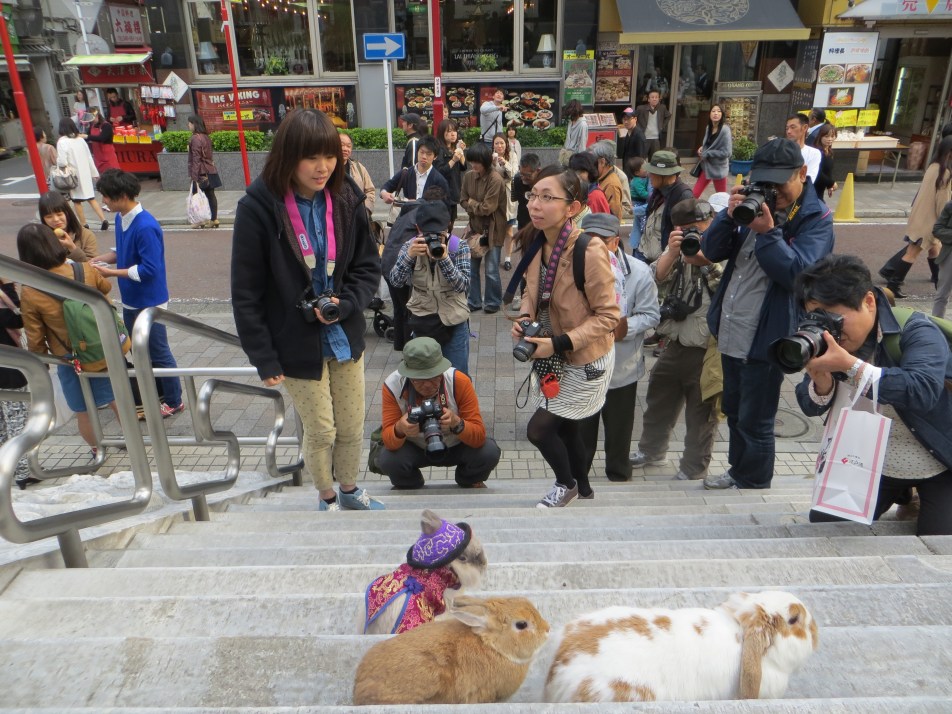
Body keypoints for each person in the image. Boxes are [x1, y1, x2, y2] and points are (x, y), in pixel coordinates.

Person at [230, 108, 383, 512]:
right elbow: (246, 291)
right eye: (311, 157)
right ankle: (327, 497)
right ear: (288, 156)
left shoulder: (346, 197)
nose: (323, 167)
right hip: (294, 341)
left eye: (330, 156)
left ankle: (349, 490)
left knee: (351, 427)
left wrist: (347, 301)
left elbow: (368, 265)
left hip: (343, 332)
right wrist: (262, 355)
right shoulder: (258, 207)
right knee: (322, 430)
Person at [700, 138, 835, 491]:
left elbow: (798, 276)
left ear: (803, 174)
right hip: (731, 328)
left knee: (757, 420)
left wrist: (768, 233)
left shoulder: (814, 218)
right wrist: (727, 218)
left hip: (768, 336)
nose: (773, 191)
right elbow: (711, 250)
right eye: (766, 182)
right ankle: (738, 470)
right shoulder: (754, 204)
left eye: (780, 182)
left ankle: (754, 483)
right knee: (733, 410)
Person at [794, 254, 952, 536]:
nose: (828, 327)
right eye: (816, 315)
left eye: (834, 316)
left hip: (939, 460)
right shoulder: (830, 338)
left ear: (868, 302)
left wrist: (850, 366)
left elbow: (921, 390)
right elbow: (809, 406)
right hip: (871, 463)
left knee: (939, 540)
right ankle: (903, 494)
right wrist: (821, 384)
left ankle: (912, 494)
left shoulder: (917, 332)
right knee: (828, 527)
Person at [511, 166, 620, 507]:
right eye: (533, 196)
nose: (535, 205)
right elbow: (531, 288)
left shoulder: (589, 250)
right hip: (551, 352)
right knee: (568, 426)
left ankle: (566, 484)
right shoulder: (534, 238)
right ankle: (584, 487)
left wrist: (556, 343)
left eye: (547, 197)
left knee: (539, 429)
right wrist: (525, 318)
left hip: (585, 357)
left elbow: (609, 316)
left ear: (572, 208)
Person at [629, 198, 722, 482]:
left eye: (698, 229)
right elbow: (653, 278)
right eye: (686, 230)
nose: (694, 235)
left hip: (708, 348)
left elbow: (728, 290)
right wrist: (672, 251)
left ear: (712, 224)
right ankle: (652, 451)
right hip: (676, 343)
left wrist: (705, 262)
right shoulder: (679, 250)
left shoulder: (726, 247)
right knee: (659, 397)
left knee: (701, 413)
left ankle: (694, 468)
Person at [90, 169, 185, 419]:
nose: (104, 202)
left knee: (159, 352)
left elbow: (149, 270)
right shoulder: (122, 217)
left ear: (121, 195)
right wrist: (101, 259)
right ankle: (160, 394)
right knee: (139, 350)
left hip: (150, 300)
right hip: (132, 299)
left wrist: (111, 274)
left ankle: (175, 401)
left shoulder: (145, 226)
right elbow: (122, 251)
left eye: (107, 197)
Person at [17, 224, 120, 453]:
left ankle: (97, 451)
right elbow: (106, 287)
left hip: (68, 358)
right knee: (117, 397)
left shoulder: (31, 291)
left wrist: (41, 365)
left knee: (83, 410)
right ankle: (135, 443)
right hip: (101, 347)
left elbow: (35, 338)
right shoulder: (84, 270)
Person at [577, 213, 659, 482]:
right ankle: (579, 478)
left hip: (622, 365)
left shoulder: (638, 271)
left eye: (602, 241)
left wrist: (624, 327)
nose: (594, 246)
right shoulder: (573, 268)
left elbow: (650, 315)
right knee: (581, 430)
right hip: (585, 364)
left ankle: (618, 474)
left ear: (615, 243)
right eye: (589, 240)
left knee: (619, 430)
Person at [379, 336, 500, 489]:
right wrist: (400, 429)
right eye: (419, 380)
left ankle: (469, 480)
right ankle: (409, 485)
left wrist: (457, 423)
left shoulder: (459, 381)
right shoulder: (392, 386)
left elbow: (479, 437)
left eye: (434, 377)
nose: (428, 385)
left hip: (455, 444)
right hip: (415, 448)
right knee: (388, 459)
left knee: (488, 452)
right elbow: (388, 440)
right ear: (408, 375)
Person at [389, 201, 471, 373]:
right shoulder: (410, 246)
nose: (433, 239)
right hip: (422, 319)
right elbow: (395, 281)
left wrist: (445, 259)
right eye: (428, 234)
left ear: (448, 226)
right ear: (418, 228)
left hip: (454, 319)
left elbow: (462, 286)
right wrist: (409, 257)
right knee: (424, 375)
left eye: (439, 234)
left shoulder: (459, 246)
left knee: (457, 376)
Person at [879, 136, 952, 298]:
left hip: (920, 217)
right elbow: (943, 203)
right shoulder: (945, 173)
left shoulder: (933, 167)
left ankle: (938, 283)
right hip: (929, 222)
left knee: (934, 250)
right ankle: (893, 286)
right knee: (912, 253)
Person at [461, 142, 508, 314]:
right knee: (472, 268)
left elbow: (488, 208)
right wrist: (475, 205)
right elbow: (462, 199)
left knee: (491, 269)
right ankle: (474, 301)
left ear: (486, 162)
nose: (474, 165)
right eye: (471, 161)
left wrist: (471, 204)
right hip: (475, 228)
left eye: (477, 162)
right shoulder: (468, 176)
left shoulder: (495, 179)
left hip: (494, 229)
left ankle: (493, 302)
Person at [0, 278, 35, 489]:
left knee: (5, 423)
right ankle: (21, 473)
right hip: (9, 368)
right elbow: (15, 320)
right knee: (16, 420)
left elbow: (16, 320)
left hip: (8, 368)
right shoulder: (4, 292)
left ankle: (9, 468)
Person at [638, 150, 694, 264]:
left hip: (664, 264)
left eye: (653, 172)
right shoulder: (658, 191)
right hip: (646, 255)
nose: (649, 175)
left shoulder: (683, 196)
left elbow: (683, 237)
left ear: (663, 174)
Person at [56, 118, 108, 231]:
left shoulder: (62, 141)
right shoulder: (80, 140)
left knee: (77, 200)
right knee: (91, 198)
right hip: (85, 173)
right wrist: (94, 172)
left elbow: (62, 161)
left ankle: (84, 224)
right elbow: (89, 157)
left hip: (73, 175)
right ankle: (103, 219)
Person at [381, 135, 450, 218]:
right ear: (417, 152)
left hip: (428, 222)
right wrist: (384, 193)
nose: (424, 157)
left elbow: (444, 207)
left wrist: (418, 203)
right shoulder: (406, 173)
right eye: (422, 152)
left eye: (428, 154)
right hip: (407, 221)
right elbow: (388, 186)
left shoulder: (439, 180)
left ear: (435, 157)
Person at [38, 191, 98, 262]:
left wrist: (72, 248)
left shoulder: (86, 235)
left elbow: (92, 266)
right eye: (49, 217)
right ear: (43, 219)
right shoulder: (40, 238)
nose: (56, 219)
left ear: (67, 213)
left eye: (59, 214)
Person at [186, 115, 221, 229]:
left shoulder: (195, 138)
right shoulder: (206, 137)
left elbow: (196, 158)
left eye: (190, 123)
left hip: (201, 171)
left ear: (194, 124)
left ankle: (200, 220)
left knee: (197, 196)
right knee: (210, 195)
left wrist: (194, 176)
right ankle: (214, 219)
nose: (188, 125)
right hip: (210, 169)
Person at [693, 104, 733, 197]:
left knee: (721, 197)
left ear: (722, 114)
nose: (716, 113)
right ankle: (691, 211)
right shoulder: (709, 127)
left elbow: (727, 152)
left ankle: (722, 212)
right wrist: (702, 148)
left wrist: (708, 153)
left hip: (718, 169)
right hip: (707, 166)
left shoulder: (725, 130)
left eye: (718, 111)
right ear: (710, 114)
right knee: (694, 194)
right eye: (713, 111)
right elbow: (709, 144)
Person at [492, 132, 519, 266]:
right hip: (495, 195)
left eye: (502, 143)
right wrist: (492, 163)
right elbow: (487, 176)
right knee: (495, 228)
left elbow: (515, 174)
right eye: (496, 143)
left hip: (508, 196)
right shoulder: (491, 157)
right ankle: (495, 257)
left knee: (509, 230)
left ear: (506, 144)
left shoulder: (512, 156)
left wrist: (505, 163)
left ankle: (507, 258)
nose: (499, 146)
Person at [433, 118, 466, 223]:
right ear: (442, 133)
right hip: (443, 194)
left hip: (454, 192)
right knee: (444, 225)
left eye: (455, 131)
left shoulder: (453, 149)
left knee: (451, 224)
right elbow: (439, 171)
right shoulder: (439, 150)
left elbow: (464, 167)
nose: (453, 134)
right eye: (449, 131)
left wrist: (461, 152)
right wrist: (453, 160)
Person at [567, 151, 611, 229]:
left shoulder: (594, 195)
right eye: (574, 172)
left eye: (581, 171)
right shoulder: (583, 191)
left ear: (591, 172)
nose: (577, 175)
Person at [339, 131, 375, 215]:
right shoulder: (328, 168)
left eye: (348, 146)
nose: (345, 149)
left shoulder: (359, 168)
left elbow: (370, 191)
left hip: (357, 217)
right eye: (341, 145)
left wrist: (365, 210)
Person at [591, 140, 624, 221]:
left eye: (593, 162)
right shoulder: (603, 178)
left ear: (602, 162)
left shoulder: (611, 185)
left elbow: (615, 217)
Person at [931, 197, 952, 318]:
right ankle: (937, 325)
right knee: (942, 294)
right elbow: (937, 229)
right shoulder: (950, 206)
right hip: (950, 253)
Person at [785, 113, 821, 183]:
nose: (788, 131)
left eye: (793, 127)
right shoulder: (781, 150)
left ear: (805, 127)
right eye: (787, 128)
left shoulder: (813, 153)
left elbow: (809, 179)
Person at [635, 91, 671, 160]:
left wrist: (662, 126)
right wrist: (638, 129)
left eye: (656, 97)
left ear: (659, 99)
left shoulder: (662, 108)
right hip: (644, 138)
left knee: (654, 160)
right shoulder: (641, 108)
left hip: (656, 139)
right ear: (648, 99)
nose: (654, 99)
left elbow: (668, 116)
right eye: (652, 97)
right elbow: (634, 118)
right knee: (641, 159)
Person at [87, 108, 120, 176]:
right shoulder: (92, 126)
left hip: (108, 156)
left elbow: (102, 138)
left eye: (92, 118)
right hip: (98, 157)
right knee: (103, 176)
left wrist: (87, 137)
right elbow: (89, 137)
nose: (91, 121)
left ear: (97, 116)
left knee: (113, 175)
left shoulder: (106, 125)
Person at [627, 156, 650, 254]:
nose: (647, 168)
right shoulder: (636, 181)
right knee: (641, 221)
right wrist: (652, 197)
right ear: (636, 172)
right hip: (638, 203)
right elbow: (643, 194)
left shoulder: (644, 177)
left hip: (641, 202)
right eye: (644, 167)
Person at [813, 123, 838, 202]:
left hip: (821, 189)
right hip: (813, 188)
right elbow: (817, 172)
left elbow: (828, 170)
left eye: (832, 136)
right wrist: (831, 183)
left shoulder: (829, 151)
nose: (830, 139)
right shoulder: (817, 152)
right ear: (820, 136)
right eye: (826, 136)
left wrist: (829, 186)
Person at [618, 107, 647, 175]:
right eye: (624, 119)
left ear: (635, 119)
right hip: (628, 170)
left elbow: (640, 157)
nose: (626, 122)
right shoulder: (629, 133)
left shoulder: (639, 135)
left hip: (634, 173)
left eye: (628, 119)